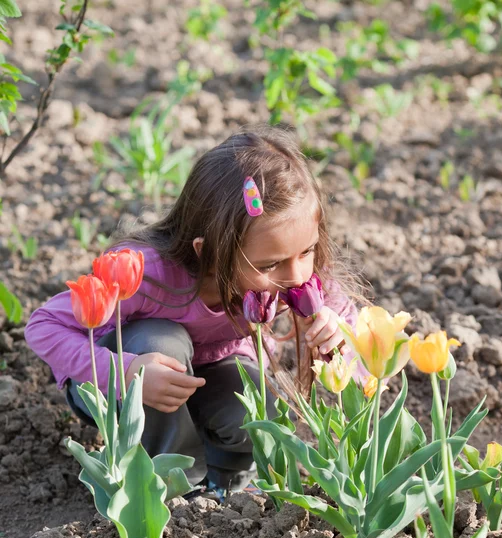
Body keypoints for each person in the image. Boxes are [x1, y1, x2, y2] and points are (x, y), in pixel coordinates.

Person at [24, 125, 363, 498]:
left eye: (307, 251)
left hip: (205, 378)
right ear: (208, 251)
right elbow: (43, 325)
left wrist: (340, 336)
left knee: (257, 399)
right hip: (119, 381)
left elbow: (357, 347)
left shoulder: (294, 275)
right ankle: (173, 482)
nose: (296, 274)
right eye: (270, 264)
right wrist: (127, 373)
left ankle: (228, 485)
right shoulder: (147, 273)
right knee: (163, 340)